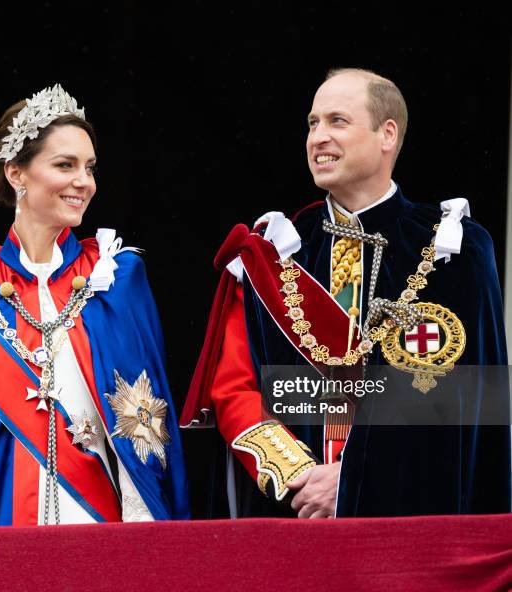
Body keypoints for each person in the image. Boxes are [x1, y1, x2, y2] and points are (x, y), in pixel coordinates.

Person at [181, 68, 511, 518]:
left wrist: (356, 479)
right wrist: (300, 474)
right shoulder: (274, 254)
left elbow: (467, 404)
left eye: (337, 121)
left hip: (409, 515)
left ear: (387, 134)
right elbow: (234, 388)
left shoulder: (456, 248)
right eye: (313, 124)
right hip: (295, 513)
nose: (318, 137)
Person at [0, 84, 190, 526]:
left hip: (96, 517)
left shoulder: (115, 275)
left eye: (89, 167)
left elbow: (152, 426)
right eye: (65, 165)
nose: (83, 182)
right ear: (16, 173)